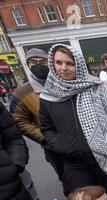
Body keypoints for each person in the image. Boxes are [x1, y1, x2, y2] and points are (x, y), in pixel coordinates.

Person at [40, 44, 107, 200]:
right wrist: (65, 146)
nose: (63, 68)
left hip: (106, 159)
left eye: (70, 63)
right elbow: (47, 129)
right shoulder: (48, 96)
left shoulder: (99, 88)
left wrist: (104, 141)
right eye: (58, 62)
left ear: (79, 65)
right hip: (75, 165)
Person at [9, 48, 64, 182]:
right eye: (33, 62)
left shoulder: (65, 83)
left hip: (78, 141)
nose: (39, 65)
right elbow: (19, 121)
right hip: (54, 148)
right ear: (27, 65)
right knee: (68, 180)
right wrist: (45, 137)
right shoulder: (21, 93)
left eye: (43, 62)